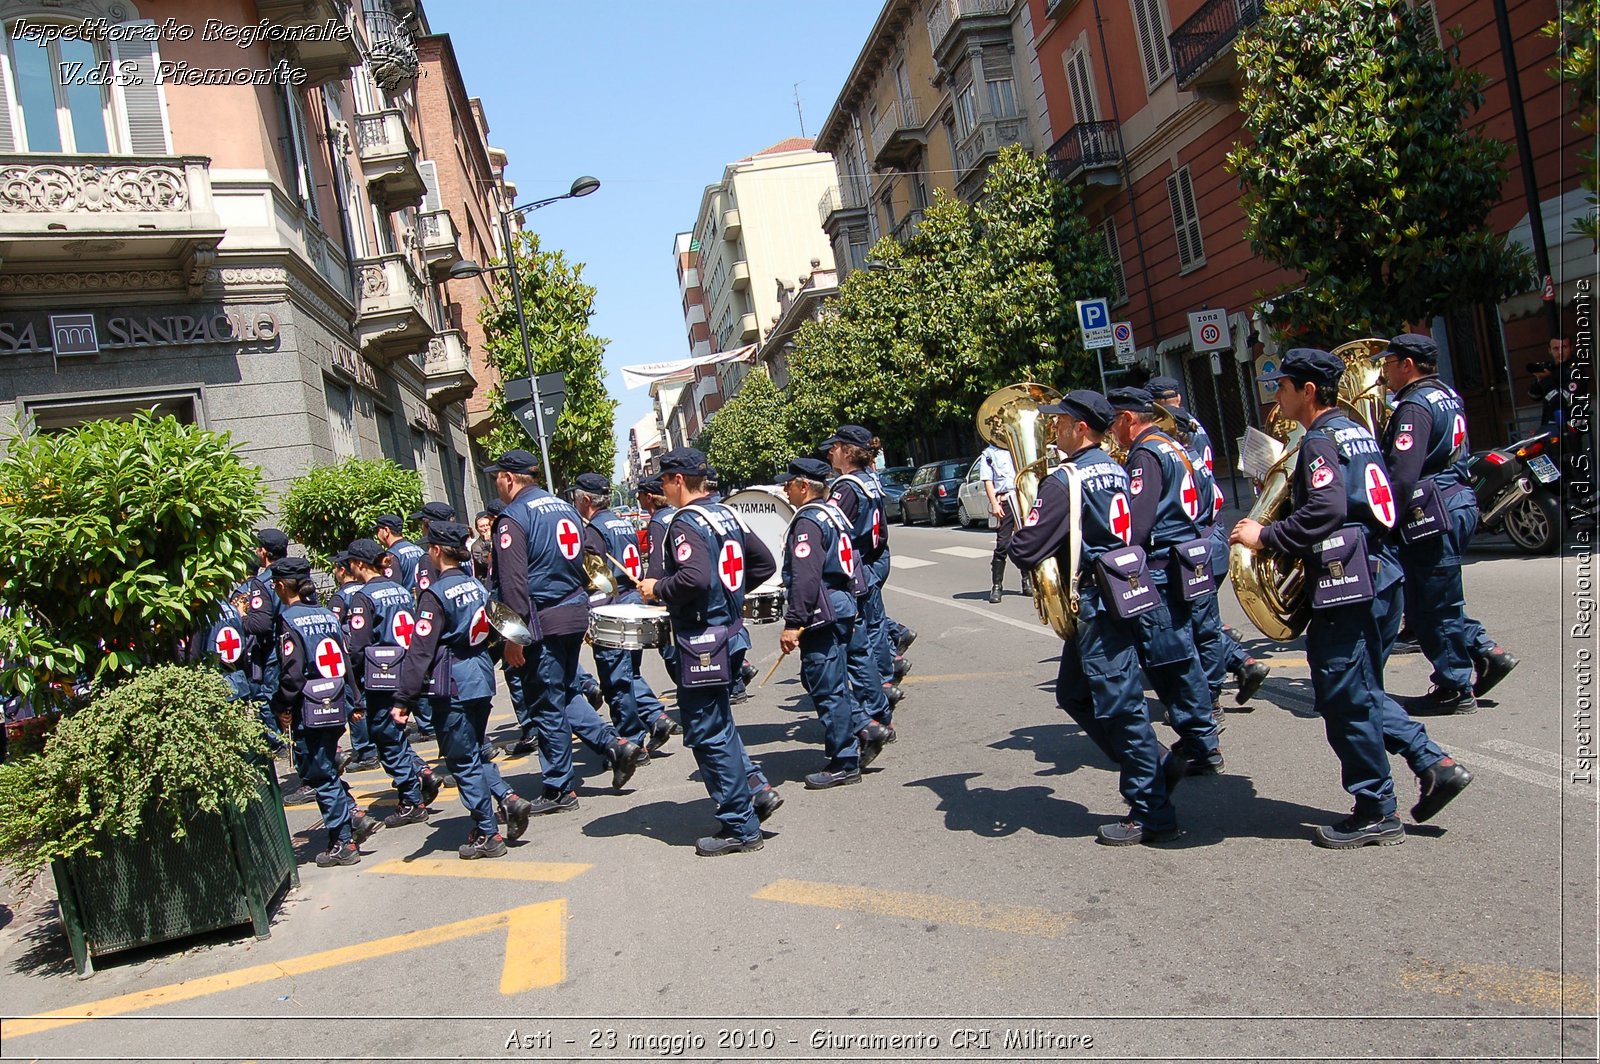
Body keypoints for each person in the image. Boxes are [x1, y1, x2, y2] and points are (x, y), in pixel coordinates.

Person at [1233, 349, 1471, 848]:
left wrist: (1266, 536)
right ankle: (1432, 765)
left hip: (1350, 581)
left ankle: (1376, 809)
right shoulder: (1357, 429)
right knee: (1358, 688)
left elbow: (1328, 508)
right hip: (1381, 573)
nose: (1277, 395)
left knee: (1343, 696)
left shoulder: (1319, 439)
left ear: (1308, 391)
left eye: (1283, 386)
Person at [1010, 391, 1186, 845]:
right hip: (1129, 590)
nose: (1054, 429)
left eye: (1061, 422)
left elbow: (1026, 549)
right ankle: (1158, 762)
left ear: (1081, 428)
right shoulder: (1117, 467)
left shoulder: (1065, 479)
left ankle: (1151, 811)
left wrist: (1019, 512)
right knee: (1073, 692)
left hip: (1098, 602)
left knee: (1120, 705)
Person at [640, 447, 781, 855]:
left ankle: (739, 825)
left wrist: (657, 589)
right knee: (720, 724)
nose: (663, 489)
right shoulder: (724, 512)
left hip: (703, 640)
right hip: (731, 634)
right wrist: (731, 597)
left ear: (678, 481)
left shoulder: (685, 522)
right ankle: (751, 792)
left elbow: (694, 578)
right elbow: (764, 563)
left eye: (665, 481)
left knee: (707, 733)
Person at [486, 449, 642, 813]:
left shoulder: (513, 518)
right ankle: (614, 746)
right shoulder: (565, 508)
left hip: (542, 621)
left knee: (545, 703)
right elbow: (589, 561)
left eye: (497, 477)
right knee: (568, 689)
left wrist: (513, 636)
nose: (496, 482)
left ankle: (558, 787)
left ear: (510, 479)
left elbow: (513, 584)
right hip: (574, 613)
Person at [1373, 334, 1518, 712]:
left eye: (1389, 363)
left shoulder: (1415, 406)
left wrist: (1384, 522)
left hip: (1433, 508)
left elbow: (1403, 475)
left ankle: (1454, 687)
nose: (1384, 371)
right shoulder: (1445, 393)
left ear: (1408, 364)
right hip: (1453, 500)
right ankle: (1487, 652)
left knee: (1437, 603)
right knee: (1426, 600)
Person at [395, 521, 534, 859]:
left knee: (462, 760)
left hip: (453, 681)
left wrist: (403, 699)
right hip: (480, 676)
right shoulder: (476, 585)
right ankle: (507, 797)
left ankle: (488, 833)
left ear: (437, 551)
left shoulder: (434, 596)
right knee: (474, 749)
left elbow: (420, 651)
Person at [1107, 388, 1224, 775]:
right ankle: (1200, 737)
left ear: (1127, 418)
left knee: (1170, 655)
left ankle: (1200, 743)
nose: (1112, 431)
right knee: (1184, 648)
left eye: (1113, 422)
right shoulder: (1172, 443)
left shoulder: (1146, 452)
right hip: (1189, 554)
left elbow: (1137, 525)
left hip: (1162, 563)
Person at [1145, 377, 1271, 710]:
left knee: (1191, 622)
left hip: (1193, 534)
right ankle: (1241, 665)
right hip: (1208, 530)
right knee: (1202, 619)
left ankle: (1209, 696)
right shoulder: (1192, 426)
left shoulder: (1169, 437)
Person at [775, 457, 887, 789]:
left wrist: (793, 623)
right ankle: (865, 726)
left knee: (827, 687)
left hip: (821, 611)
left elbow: (806, 578)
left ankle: (844, 760)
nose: (785, 488)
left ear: (804, 486)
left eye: (790, 483)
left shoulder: (808, 520)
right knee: (825, 680)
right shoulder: (832, 512)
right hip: (842, 603)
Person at [268, 557, 381, 867]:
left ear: (280, 586)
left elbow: (291, 674)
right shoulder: (326, 615)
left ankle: (343, 842)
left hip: (309, 707)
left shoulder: (288, 620)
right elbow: (345, 662)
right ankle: (350, 822)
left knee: (322, 775)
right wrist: (354, 701)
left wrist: (281, 706)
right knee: (328, 768)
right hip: (335, 702)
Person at [342, 538, 442, 828]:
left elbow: (359, 647)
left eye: (351, 563)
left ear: (359, 564)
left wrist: (355, 679)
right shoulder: (399, 589)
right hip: (406, 668)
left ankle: (411, 800)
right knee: (396, 732)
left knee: (386, 737)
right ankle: (421, 773)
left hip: (380, 676)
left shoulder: (363, 597)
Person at [573, 471, 674, 756]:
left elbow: (592, 574)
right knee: (629, 672)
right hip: (631, 600)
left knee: (616, 679)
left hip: (612, 604)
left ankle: (631, 738)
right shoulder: (621, 522)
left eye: (577, 498)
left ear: (587, 500)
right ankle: (656, 717)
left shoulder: (594, 530)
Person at [823, 426, 898, 733]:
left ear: (849, 451)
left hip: (860, 564)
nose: (831, 452)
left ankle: (875, 701)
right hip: (876, 557)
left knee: (859, 640)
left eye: (837, 446)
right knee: (875, 627)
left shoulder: (847, 487)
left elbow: (832, 528)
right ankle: (884, 682)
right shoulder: (869, 479)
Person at [979, 439, 1031, 603]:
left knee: (1025, 540)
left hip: (1022, 496)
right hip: (1005, 499)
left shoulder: (1018, 446)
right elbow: (987, 480)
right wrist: (994, 503)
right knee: (1003, 543)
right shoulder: (989, 454)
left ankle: (1027, 580)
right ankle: (997, 586)